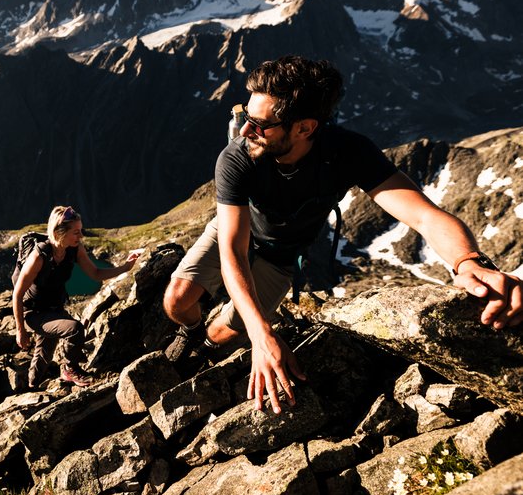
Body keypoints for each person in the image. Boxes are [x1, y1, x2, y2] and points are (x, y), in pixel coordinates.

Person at [163, 55, 523, 414]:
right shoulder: (236, 157)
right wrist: (263, 334)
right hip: (234, 228)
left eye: (259, 125)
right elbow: (232, 251)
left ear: (305, 128)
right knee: (177, 301)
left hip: (280, 255)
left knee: (228, 332)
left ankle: (206, 346)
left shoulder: (348, 152)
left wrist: (468, 262)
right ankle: (191, 329)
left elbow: (425, 217)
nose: (245, 131)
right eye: (245, 118)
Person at [13, 205, 141, 388]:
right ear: (59, 232)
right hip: (32, 313)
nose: (81, 236)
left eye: (80, 231)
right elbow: (17, 295)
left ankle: (30, 387)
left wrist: (126, 267)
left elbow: (95, 273)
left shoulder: (74, 249)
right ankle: (69, 369)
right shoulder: (39, 257)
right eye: (76, 232)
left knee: (44, 354)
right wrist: (20, 330)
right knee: (74, 328)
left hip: (53, 310)